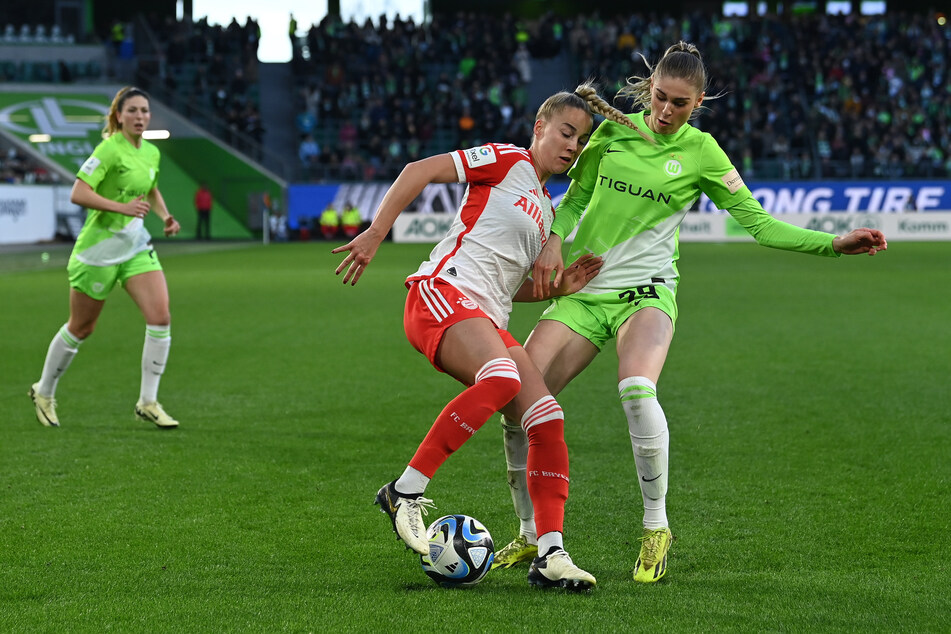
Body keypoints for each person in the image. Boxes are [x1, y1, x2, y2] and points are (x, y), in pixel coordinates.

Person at [491, 42, 888, 583]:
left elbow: (759, 223)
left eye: (679, 103)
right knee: (517, 404)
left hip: (648, 293)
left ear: (698, 102)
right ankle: (529, 531)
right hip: (584, 291)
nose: (665, 111)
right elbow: (576, 198)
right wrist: (556, 239)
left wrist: (832, 243)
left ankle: (656, 527)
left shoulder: (703, 153)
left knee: (636, 388)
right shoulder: (610, 132)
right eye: (659, 98)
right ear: (649, 87)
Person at [333, 83, 617, 591]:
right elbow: (419, 171)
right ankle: (406, 491)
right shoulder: (507, 161)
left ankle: (551, 554)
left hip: (487, 315)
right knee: (504, 378)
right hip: (440, 293)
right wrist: (377, 230)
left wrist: (560, 284)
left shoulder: (548, 208)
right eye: (566, 132)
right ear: (539, 128)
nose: (574, 145)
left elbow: (511, 285)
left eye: (581, 139)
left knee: (547, 417)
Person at [28, 86, 182, 429]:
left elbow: (151, 188)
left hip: (135, 247)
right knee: (82, 327)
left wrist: (165, 216)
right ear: (118, 116)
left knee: (161, 317)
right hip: (98, 251)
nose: (140, 116)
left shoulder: (151, 153)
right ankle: (45, 391)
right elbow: (78, 192)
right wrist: (122, 207)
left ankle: (148, 401)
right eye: (133, 111)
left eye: (144, 110)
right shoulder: (109, 150)